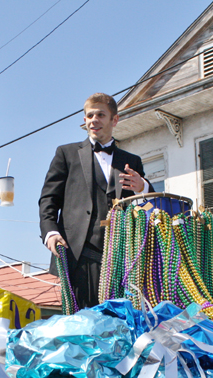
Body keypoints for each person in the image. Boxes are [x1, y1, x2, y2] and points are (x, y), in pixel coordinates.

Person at [38, 93, 151, 310]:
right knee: (82, 326)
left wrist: (143, 188)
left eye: (100, 114)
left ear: (114, 120)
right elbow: (48, 198)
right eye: (89, 115)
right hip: (79, 253)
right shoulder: (66, 154)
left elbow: (146, 208)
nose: (93, 120)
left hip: (123, 257)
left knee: (120, 323)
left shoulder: (131, 161)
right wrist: (50, 232)